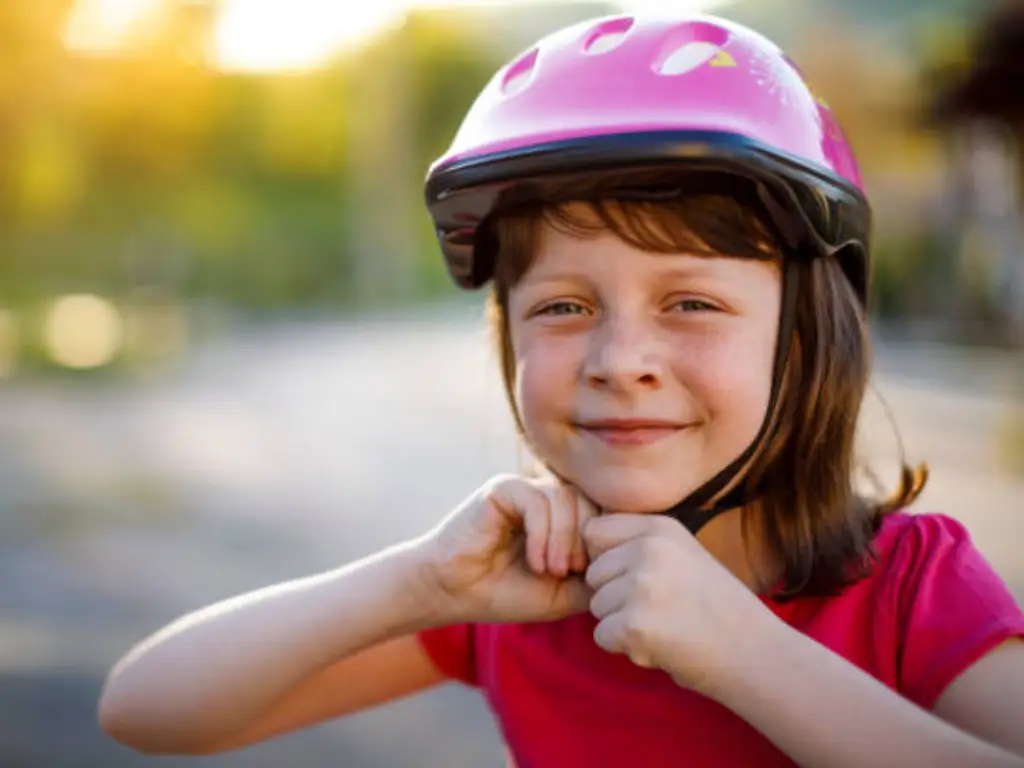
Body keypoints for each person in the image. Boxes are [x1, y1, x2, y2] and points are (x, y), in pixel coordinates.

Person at [98, 13, 1024, 767]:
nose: (620, 359)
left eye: (692, 300)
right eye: (565, 306)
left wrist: (745, 652)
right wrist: (419, 581)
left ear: (810, 334)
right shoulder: (525, 601)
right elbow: (147, 709)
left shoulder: (912, 591)